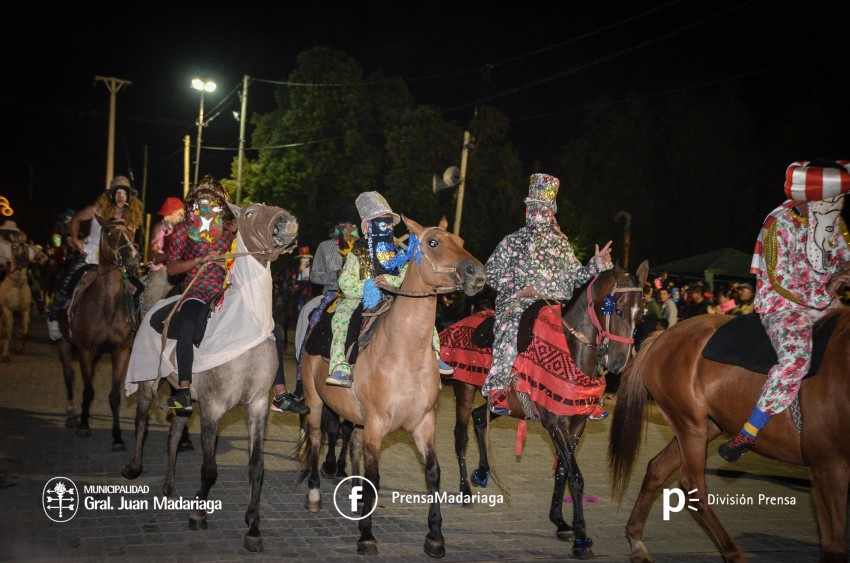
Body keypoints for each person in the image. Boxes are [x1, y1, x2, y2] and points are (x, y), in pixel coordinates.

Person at [718, 159, 850, 462]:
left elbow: (843, 255)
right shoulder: (778, 224)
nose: (840, 204)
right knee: (796, 357)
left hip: (827, 304)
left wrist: (844, 269)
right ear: (813, 196)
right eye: (835, 197)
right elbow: (780, 280)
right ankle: (749, 430)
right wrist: (827, 290)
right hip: (784, 307)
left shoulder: (833, 222)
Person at [163, 177, 307, 416]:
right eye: (204, 198)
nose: (209, 203)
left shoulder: (228, 232)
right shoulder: (183, 230)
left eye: (214, 200)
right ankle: (184, 389)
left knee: (269, 327)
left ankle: (280, 394)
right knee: (187, 323)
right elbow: (171, 268)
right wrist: (199, 260)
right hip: (196, 292)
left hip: (226, 291)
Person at [483, 173, 613, 415]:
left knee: (583, 335)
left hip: (553, 306)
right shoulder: (511, 241)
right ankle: (498, 389)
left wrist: (595, 264)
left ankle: (587, 395)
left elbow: (575, 277)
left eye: (543, 208)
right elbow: (489, 273)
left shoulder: (561, 244)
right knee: (510, 330)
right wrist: (519, 287)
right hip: (518, 304)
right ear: (526, 210)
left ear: (552, 211)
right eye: (533, 207)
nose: (537, 213)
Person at [325, 191, 453, 387]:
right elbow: (346, 283)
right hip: (359, 299)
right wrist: (368, 286)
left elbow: (405, 277)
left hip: (394, 298)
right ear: (367, 227)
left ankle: (434, 355)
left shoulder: (399, 255)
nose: (387, 227)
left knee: (422, 316)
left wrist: (390, 280)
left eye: (389, 223)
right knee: (341, 318)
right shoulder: (357, 254)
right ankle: (339, 365)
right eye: (380, 222)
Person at [46, 175, 144, 340]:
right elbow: (76, 219)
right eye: (117, 192)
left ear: (129, 196)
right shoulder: (96, 209)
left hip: (115, 260)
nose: (121, 196)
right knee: (69, 282)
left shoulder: (130, 217)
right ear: (111, 194)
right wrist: (75, 239)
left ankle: (133, 322)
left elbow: (128, 241)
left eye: (124, 193)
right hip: (91, 255)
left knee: (137, 287)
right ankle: (53, 318)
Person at [289, 204, 361, 402]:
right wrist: (335, 274)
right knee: (312, 323)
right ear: (337, 226)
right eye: (343, 224)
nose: (347, 228)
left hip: (360, 294)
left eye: (351, 224)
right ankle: (301, 383)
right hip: (333, 294)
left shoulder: (363, 246)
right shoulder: (325, 247)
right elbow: (314, 276)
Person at [139, 196, 184, 319]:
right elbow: (152, 256)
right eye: (180, 214)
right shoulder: (160, 228)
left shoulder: (185, 229)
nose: (182, 217)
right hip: (162, 270)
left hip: (182, 270)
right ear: (170, 214)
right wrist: (170, 255)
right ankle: (146, 320)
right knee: (150, 297)